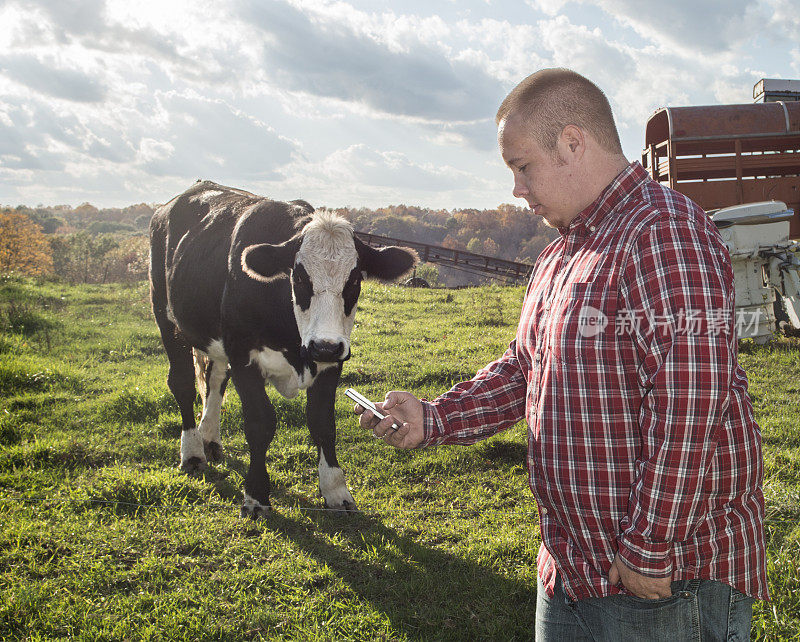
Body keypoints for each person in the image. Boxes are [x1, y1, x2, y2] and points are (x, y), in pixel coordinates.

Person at [355, 68, 768, 640]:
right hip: (571, 572)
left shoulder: (662, 231)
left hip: (660, 584)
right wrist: (434, 419)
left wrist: (650, 544)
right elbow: (526, 369)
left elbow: (691, 403)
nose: (516, 189)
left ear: (573, 142)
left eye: (522, 166)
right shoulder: (561, 253)